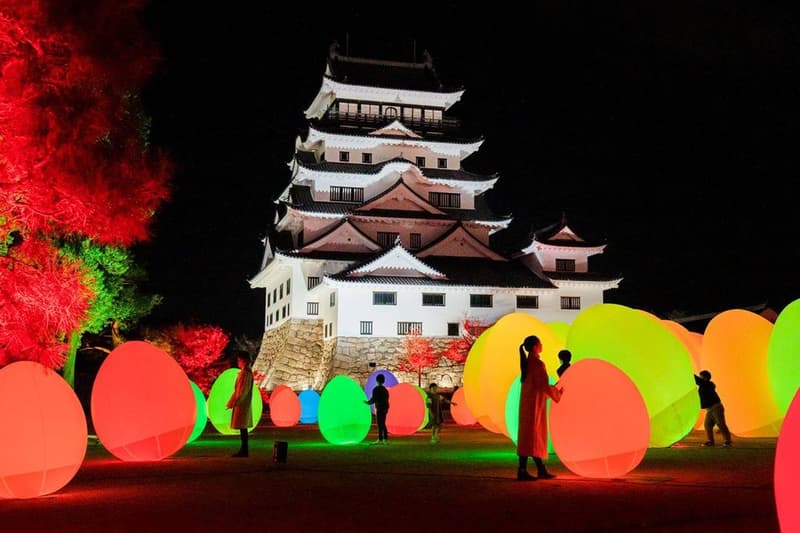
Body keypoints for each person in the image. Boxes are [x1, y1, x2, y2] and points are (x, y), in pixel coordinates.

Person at [517, 335, 562, 481]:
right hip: (535, 406)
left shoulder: (527, 363)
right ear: (536, 346)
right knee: (533, 437)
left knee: (528, 438)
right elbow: (543, 386)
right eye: (540, 343)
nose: (541, 345)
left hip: (528, 405)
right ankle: (528, 470)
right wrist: (557, 393)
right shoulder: (537, 364)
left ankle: (533, 469)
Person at [226, 351, 254, 457]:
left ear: (244, 361)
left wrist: (235, 402)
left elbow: (241, 391)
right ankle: (243, 449)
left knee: (243, 428)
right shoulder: (245, 373)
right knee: (243, 428)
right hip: (242, 403)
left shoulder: (245, 373)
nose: (238, 362)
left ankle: (244, 450)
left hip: (242, 404)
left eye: (240, 360)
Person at [694, 370, 732, 447]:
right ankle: (710, 441)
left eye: (701, 376)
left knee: (721, 424)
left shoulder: (708, 384)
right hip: (709, 409)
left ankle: (727, 441)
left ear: (706, 378)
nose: (700, 377)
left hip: (716, 407)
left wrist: (690, 374)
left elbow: (698, 381)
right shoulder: (703, 385)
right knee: (707, 425)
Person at [364, 373, 390, 444]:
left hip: (380, 408)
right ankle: (385, 439)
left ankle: (380, 439)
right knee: (383, 423)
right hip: (385, 408)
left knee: (379, 423)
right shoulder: (385, 390)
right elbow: (387, 399)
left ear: (377, 381)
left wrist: (367, 403)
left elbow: (373, 399)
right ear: (383, 381)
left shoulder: (376, 389)